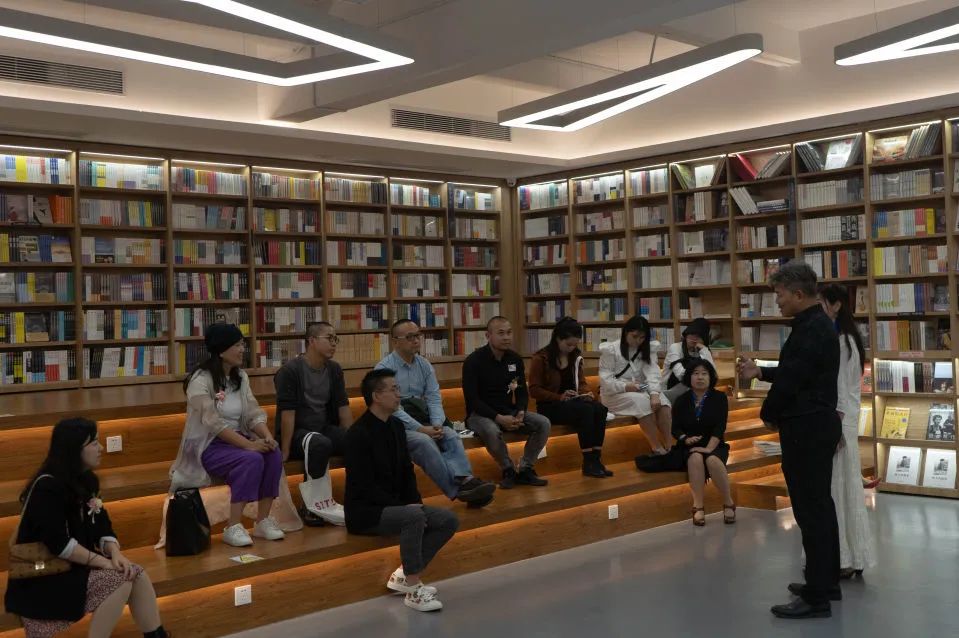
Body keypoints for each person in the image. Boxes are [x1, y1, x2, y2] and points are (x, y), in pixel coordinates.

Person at [737, 261, 842, 619]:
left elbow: (793, 379)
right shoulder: (816, 325)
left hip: (806, 428)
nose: (777, 301)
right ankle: (826, 581)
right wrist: (762, 371)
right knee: (820, 506)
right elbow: (799, 371)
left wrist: (768, 412)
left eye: (780, 295)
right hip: (816, 424)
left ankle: (817, 596)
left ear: (798, 294)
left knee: (810, 511)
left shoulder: (810, 329)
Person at [5, 418, 170, 638]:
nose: (101, 448)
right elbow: (58, 544)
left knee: (135, 574)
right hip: (42, 577)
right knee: (120, 580)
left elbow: (102, 525)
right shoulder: (47, 487)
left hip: (73, 567)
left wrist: (115, 553)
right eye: (94, 443)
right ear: (74, 449)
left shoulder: (88, 481)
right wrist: (104, 562)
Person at [345, 369, 459, 612]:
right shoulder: (357, 434)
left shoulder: (397, 426)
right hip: (367, 512)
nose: (400, 394)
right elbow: (364, 486)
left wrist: (414, 501)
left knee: (447, 519)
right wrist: (405, 507)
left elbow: (407, 471)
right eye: (394, 389)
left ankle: (404, 576)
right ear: (376, 396)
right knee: (413, 515)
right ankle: (413, 588)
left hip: (397, 506)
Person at [171, 323, 285, 547]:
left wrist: (266, 436)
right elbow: (213, 423)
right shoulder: (199, 380)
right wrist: (249, 446)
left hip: (237, 440)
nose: (243, 349)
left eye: (242, 344)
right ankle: (233, 526)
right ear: (221, 350)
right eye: (237, 345)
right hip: (208, 445)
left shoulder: (240, 376)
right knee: (251, 459)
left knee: (273, 453)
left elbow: (252, 412)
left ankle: (262, 521)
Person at [376, 319, 496, 507]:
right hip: (394, 425)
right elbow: (392, 409)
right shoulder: (384, 369)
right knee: (424, 441)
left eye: (418, 335)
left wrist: (437, 424)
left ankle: (466, 481)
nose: (416, 340)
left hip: (423, 419)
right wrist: (420, 429)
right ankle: (462, 491)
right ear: (395, 341)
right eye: (410, 337)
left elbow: (433, 397)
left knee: (449, 434)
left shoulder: (424, 365)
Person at [819, 283, 876, 579]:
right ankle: (852, 555)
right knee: (845, 488)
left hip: (839, 421)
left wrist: (835, 427)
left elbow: (840, 388)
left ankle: (842, 557)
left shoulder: (841, 341)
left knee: (837, 490)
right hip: (845, 419)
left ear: (836, 305)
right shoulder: (851, 339)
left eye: (822, 304)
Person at [274, 321, 352, 526]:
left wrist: (351, 435)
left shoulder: (334, 369)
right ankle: (311, 507)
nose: (334, 343)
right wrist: (284, 451)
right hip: (297, 433)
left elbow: (343, 406)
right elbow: (287, 413)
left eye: (336, 339)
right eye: (329, 338)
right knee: (319, 443)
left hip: (323, 427)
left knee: (355, 440)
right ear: (312, 341)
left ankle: (356, 499)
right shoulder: (290, 371)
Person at [462, 316, 552, 489]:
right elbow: (472, 400)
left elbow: (521, 392)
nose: (506, 337)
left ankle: (526, 468)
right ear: (488, 336)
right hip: (479, 414)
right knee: (491, 430)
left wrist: (520, 411)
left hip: (508, 411)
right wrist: (498, 418)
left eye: (509, 333)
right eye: (501, 333)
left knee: (543, 423)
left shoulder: (514, 359)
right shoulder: (473, 361)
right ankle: (508, 469)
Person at [528, 317, 611, 478]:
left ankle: (596, 459)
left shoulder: (575, 356)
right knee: (586, 411)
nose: (571, 348)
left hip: (573, 402)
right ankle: (588, 461)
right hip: (550, 406)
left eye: (575, 345)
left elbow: (581, 382)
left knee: (600, 409)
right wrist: (559, 397)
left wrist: (586, 392)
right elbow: (534, 390)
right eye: (568, 344)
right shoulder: (541, 358)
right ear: (558, 338)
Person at [671, 359, 735, 526]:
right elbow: (675, 429)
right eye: (696, 373)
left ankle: (728, 502)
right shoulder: (681, 400)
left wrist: (709, 448)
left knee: (712, 460)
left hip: (714, 443)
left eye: (704, 373)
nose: (700, 377)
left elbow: (720, 427)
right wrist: (685, 438)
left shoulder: (719, 397)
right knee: (695, 458)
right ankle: (698, 506)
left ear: (710, 377)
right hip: (690, 445)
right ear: (689, 377)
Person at [598, 315, 672, 455]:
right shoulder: (611, 350)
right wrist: (627, 386)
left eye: (642, 337)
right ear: (626, 332)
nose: (638, 341)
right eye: (635, 336)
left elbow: (653, 372)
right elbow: (605, 381)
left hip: (640, 389)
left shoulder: (648, 349)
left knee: (663, 403)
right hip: (614, 394)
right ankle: (656, 447)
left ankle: (669, 445)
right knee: (641, 402)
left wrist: (654, 393)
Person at [662, 318, 716, 393]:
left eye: (698, 336)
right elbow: (681, 375)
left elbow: (713, 375)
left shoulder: (704, 351)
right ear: (686, 335)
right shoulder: (675, 347)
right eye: (691, 335)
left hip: (695, 391)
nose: (694, 339)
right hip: (671, 391)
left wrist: (704, 350)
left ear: (704, 339)